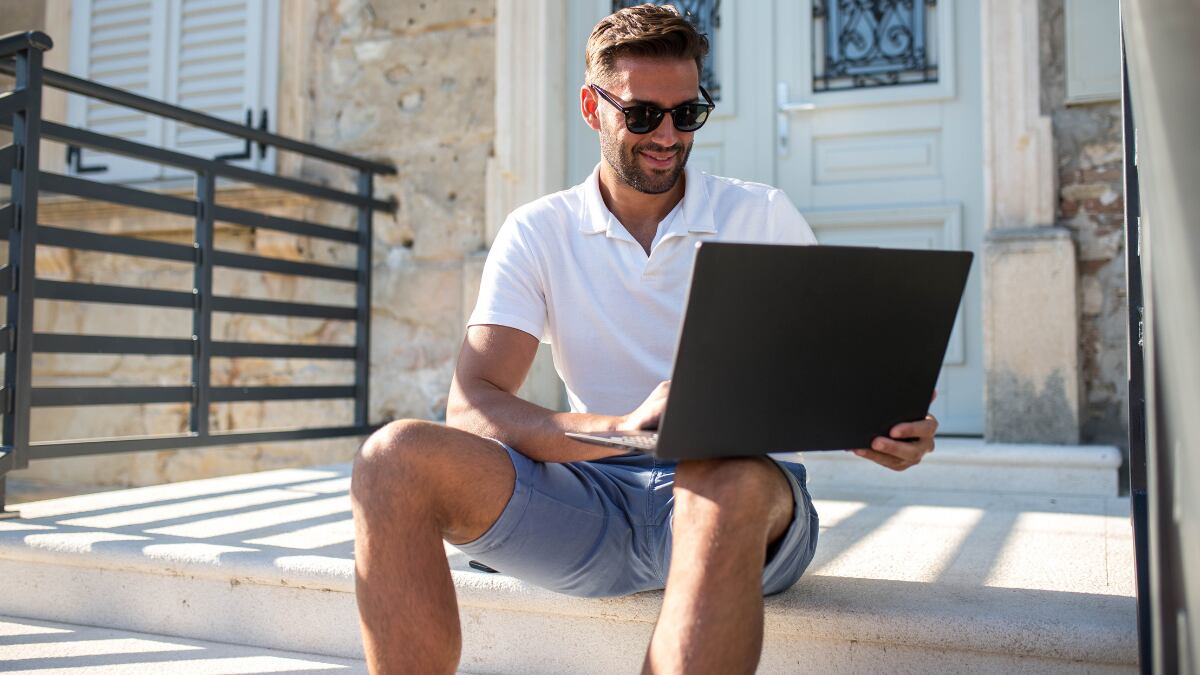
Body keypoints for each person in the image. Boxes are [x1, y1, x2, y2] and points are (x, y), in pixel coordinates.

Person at [351, 4, 938, 674]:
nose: (667, 134)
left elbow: (843, 373)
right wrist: (622, 428)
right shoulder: (539, 230)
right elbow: (474, 406)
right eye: (641, 115)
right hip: (592, 493)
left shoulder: (758, 215)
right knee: (392, 456)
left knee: (721, 476)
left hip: (740, 496)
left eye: (687, 114)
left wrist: (887, 425)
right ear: (590, 106)